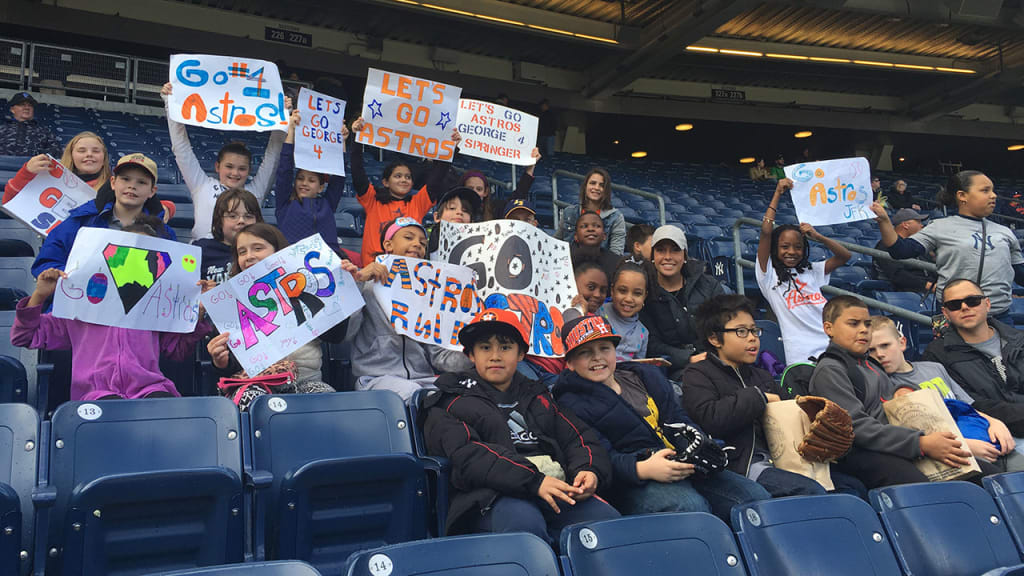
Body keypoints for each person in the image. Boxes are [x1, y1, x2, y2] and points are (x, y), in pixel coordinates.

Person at [422, 308, 619, 542]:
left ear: (521, 354)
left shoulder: (538, 394)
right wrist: (534, 481)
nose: (495, 355)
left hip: (552, 487)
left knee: (608, 522)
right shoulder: (450, 399)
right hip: (490, 497)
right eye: (485, 348)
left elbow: (579, 437)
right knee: (526, 527)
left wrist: (588, 469)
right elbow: (468, 456)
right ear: (471, 355)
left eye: (505, 347)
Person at [553, 314, 770, 522]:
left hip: (682, 466)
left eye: (604, 348)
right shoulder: (570, 402)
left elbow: (679, 417)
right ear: (570, 363)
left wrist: (697, 446)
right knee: (689, 508)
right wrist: (642, 469)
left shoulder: (644, 375)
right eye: (585, 352)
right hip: (633, 482)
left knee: (755, 497)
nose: (597, 357)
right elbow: (596, 457)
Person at [11, 215, 212, 401]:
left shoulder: (156, 306)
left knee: (167, 410)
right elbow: (24, 336)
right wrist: (40, 295)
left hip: (150, 389)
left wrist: (198, 314)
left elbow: (176, 351)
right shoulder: (78, 304)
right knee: (110, 409)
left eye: (145, 256)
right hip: (94, 394)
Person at [809, 295, 972, 489]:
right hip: (860, 453)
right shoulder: (831, 369)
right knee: (925, 488)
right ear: (829, 328)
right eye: (853, 324)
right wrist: (920, 443)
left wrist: (903, 390)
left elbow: (887, 398)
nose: (863, 330)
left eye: (867, 324)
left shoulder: (870, 364)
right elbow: (855, 427)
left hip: (895, 443)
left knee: (980, 472)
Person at [684, 294, 836, 496]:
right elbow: (711, 418)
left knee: (849, 485)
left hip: (784, 459)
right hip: (741, 465)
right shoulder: (698, 374)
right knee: (811, 491)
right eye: (741, 331)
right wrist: (759, 397)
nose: (752, 337)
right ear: (714, 338)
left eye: (754, 330)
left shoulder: (761, 375)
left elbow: (791, 412)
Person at [869, 315, 1024, 472]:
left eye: (885, 345)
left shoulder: (934, 368)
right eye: (871, 350)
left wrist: (995, 422)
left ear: (902, 343)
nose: (880, 354)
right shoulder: (884, 386)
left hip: (983, 435)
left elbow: (967, 406)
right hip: (954, 453)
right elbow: (918, 434)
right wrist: (965, 445)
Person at [205, 223, 344, 397]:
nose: (249, 256)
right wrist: (221, 362)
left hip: (307, 380)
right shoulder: (228, 301)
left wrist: (341, 288)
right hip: (252, 383)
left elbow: (335, 336)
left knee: (325, 398)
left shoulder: (303, 288)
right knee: (252, 399)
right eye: (242, 252)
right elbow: (229, 366)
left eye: (257, 248)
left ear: (279, 252)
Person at [344, 217, 472, 400]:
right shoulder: (368, 285)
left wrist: (473, 353)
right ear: (388, 244)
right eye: (408, 237)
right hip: (374, 379)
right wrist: (357, 282)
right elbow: (346, 332)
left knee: (467, 398)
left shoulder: (429, 295)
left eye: (422, 242)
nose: (417, 244)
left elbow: (439, 356)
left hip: (424, 381)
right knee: (419, 396)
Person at [874, 170, 1024, 321]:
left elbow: (1020, 273)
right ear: (962, 195)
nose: (993, 195)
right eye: (985, 190)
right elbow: (900, 251)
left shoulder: (1005, 233)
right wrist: (885, 221)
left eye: (992, 190)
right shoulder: (939, 227)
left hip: (1000, 317)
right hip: (956, 315)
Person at [161, 82, 285, 241]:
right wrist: (170, 103)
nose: (235, 173)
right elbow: (181, 148)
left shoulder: (255, 193)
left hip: (241, 257)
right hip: (203, 257)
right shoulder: (201, 185)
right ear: (217, 166)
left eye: (242, 169)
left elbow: (273, 157)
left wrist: (283, 116)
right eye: (229, 167)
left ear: (249, 171)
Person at [757, 178, 851, 365]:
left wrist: (818, 236)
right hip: (801, 350)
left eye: (798, 247)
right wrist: (777, 193)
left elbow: (844, 256)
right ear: (775, 248)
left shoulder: (811, 270)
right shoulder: (768, 274)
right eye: (785, 246)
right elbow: (766, 231)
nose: (791, 252)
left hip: (832, 342)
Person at [32, 153, 174, 276]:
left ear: (152, 191)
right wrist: (65, 275)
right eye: (125, 179)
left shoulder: (164, 233)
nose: (132, 186)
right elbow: (47, 262)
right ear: (113, 183)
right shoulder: (81, 220)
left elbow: (174, 275)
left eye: (141, 182)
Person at [922, 278, 1024, 437]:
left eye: (972, 301)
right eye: (954, 305)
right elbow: (967, 404)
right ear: (945, 313)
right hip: (991, 433)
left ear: (987, 304)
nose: (964, 307)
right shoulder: (937, 355)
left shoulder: (1019, 340)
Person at [349, 116, 457, 265]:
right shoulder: (373, 200)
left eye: (408, 177)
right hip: (373, 271)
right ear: (385, 182)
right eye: (398, 176)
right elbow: (357, 172)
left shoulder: (417, 203)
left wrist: (450, 147)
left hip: (407, 271)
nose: (404, 180)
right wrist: (356, 137)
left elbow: (437, 176)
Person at [639, 225, 724, 379]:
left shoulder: (709, 286)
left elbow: (724, 325)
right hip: (674, 370)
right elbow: (652, 343)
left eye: (675, 250)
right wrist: (689, 358)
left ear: (685, 255)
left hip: (714, 360)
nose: (667, 256)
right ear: (653, 256)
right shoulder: (644, 292)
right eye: (660, 250)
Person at [274, 109, 348, 251]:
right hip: (293, 264)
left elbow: (339, 177)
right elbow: (284, 171)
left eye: (311, 180)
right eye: (300, 178)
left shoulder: (328, 204)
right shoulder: (285, 204)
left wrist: (342, 141)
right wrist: (291, 131)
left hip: (326, 264)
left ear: (321, 187)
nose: (304, 183)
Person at [3, 131, 110, 204]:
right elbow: (9, 202)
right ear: (71, 156)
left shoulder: (115, 187)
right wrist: (26, 173)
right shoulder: (50, 178)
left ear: (104, 157)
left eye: (96, 151)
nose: (89, 154)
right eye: (81, 151)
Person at [193, 188, 263, 283]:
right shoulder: (201, 250)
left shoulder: (267, 250)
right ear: (219, 220)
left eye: (248, 216)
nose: (241, 221)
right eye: (233, 216)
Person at [555, 168, 626, 255]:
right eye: (593, 183)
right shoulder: (569, 212)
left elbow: (616, 254)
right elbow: (556, 243)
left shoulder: (616, 217)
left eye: (601, 185)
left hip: (601, 267)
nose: (596, 188)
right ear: (585, 186)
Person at [459, 147, 540, 221]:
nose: (474, 192)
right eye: (470, 188)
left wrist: (530, 169)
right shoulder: (453, 210)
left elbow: (518, 196)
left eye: (479, 189)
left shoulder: (495, 209)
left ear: (486, 192)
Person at [872, 208, 936, 294]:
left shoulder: (915, 244)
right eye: (918, 222)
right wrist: (927, 285)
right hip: (905, 292)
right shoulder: (885, 246)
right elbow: (897, 274)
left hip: (927, 289)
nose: (922, 226)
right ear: (906, 225)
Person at [598, 259, 650, 361]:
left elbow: (639, 365)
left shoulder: (643, 333)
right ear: (612, 291)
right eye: (622, 291)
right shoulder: (599, 313)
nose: (628, 299)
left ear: (645, 296)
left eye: (637, 293)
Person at [0, 92, 61, 157]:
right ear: (12, 109)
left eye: (30, 105)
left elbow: (56, 151)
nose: (27, 108)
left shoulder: (44, 131)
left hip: (34, 166)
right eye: (22, 105)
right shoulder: (2, 129)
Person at [427, 186, 481, 254]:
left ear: (472, 222)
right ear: (437, 217)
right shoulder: (424, 240)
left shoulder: (477, 249)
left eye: (465, 210)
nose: (459, 212)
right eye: (452, 208)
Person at [570, 211, 619, 281]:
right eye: (584, 226)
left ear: (604, 236)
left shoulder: (615, 262)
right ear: (576, 236)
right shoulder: (566, 259)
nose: (590, 229)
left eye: (597, 226)